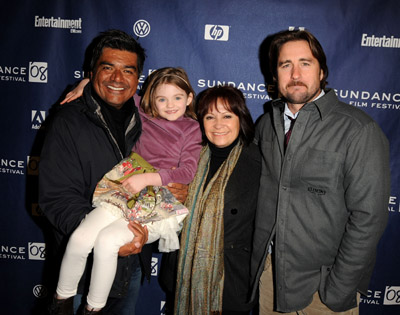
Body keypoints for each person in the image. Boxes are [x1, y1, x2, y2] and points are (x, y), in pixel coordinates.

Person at [251, 29, 391, 314]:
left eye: (305, 63)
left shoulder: (357, 129)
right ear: (274, 76)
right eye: (284, 65)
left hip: (323, 289)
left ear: (322, 71)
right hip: (270, 280)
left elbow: (369, 217)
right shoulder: (266, 125)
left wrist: (338, 287)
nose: (295, 73)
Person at [51, 66, 202, 314]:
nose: (170, 105)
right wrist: (87, 82)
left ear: (189, 98)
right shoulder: (143, 111)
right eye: (162, 98)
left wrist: (151, 178)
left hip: (156, 198)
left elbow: (187, 172)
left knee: (108, 241)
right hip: (124, 188)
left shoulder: (191, 128)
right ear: (152, 99)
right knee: (80, 238)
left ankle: (93, 309)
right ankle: (62, 303)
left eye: (177, 98)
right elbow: (112, 89)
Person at [174, 86, 261, 315]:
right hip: (182, 274)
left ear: (240, 118)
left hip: (230, 282)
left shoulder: (259, 163)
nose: (218, 124)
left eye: (227, 116)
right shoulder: (188, 157)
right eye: (210, 116)